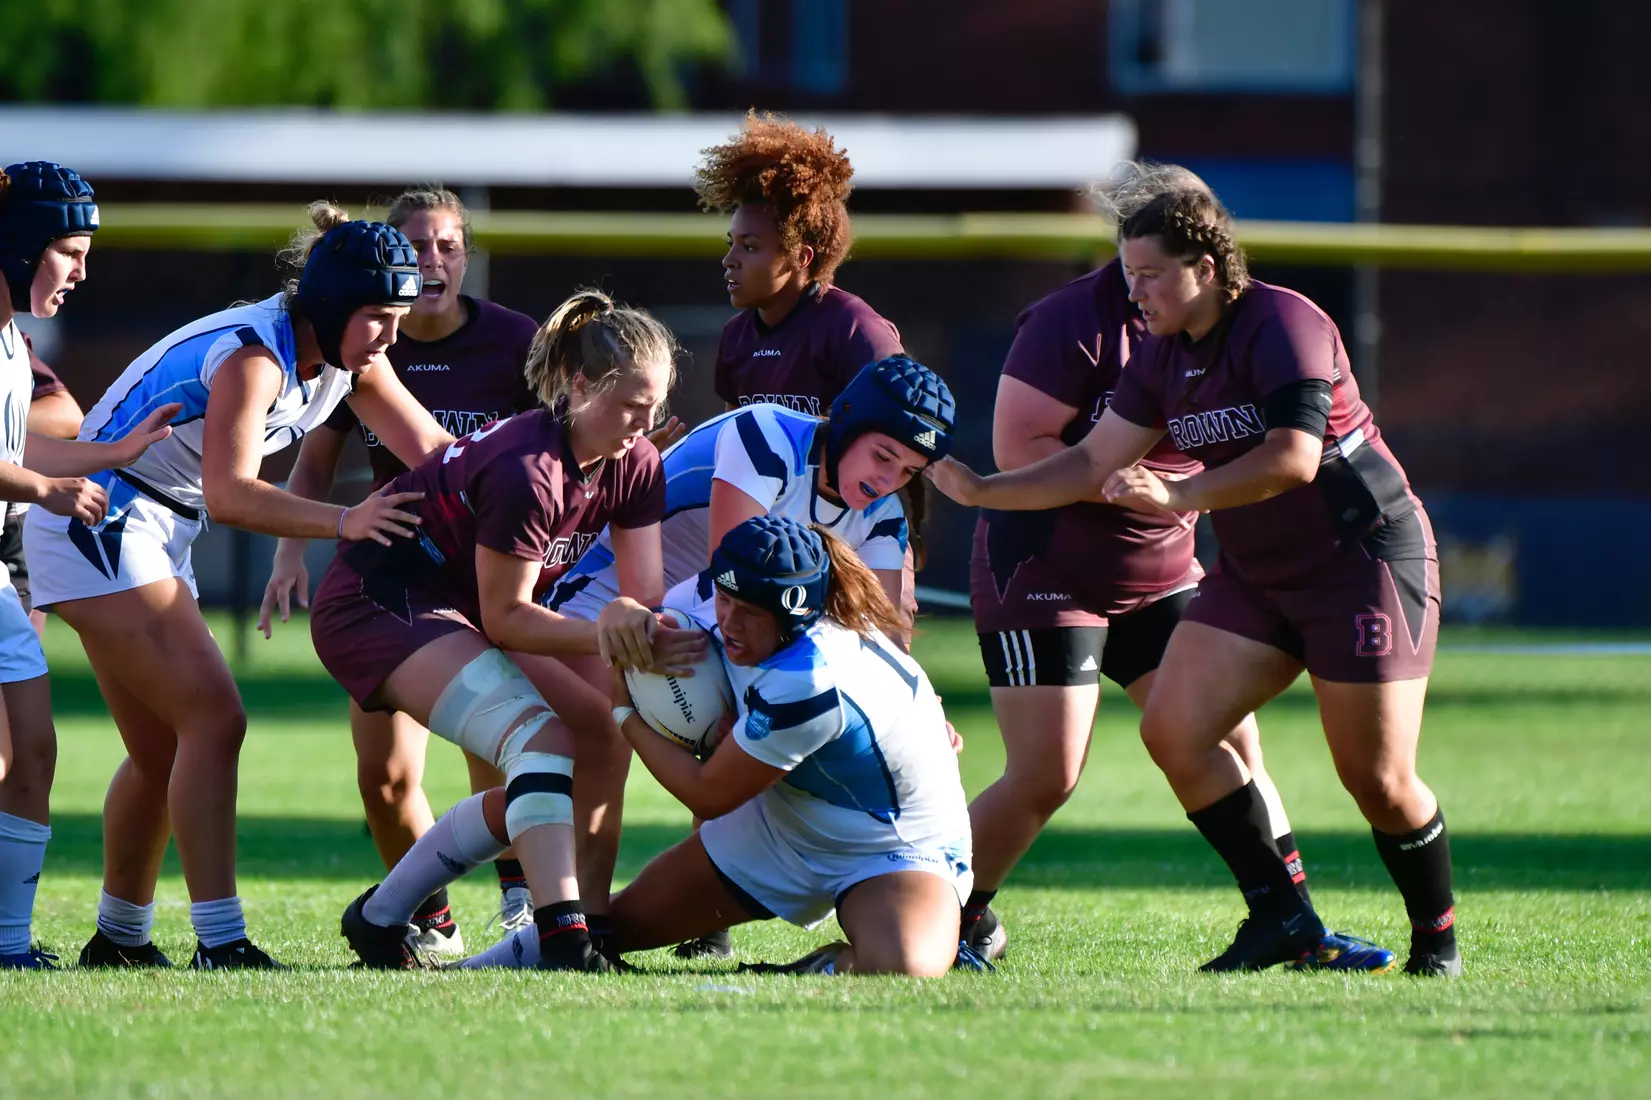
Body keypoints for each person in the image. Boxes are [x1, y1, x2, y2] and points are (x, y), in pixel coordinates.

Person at [928, 187, 1457, 977]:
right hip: (1257, 576)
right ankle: (1282, 918)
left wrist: (1173, 495)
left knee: (1377, 779)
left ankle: (1435, 939)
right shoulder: (1161, 354)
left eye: (1147, 275)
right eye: (1126, 273)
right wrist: (981, 491)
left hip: (1359, 561)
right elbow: (1086, 461)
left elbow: (1293, 459)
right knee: (1174, 730)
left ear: (1203, 269)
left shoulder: (1284, 322)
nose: (1131, 292)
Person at [26, 202, 454, 969]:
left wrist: (549, 471)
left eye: (398, 314)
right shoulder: (256, 355)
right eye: (378, 316)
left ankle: (119, 938)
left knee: (161, 750)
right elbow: (230, 494)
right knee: (216, 722)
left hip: (150, 522)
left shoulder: (352, 358)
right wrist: (345, 518)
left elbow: (434, 451)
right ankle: (221, 941)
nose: (391, 334)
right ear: (329, 305)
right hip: (104, 515)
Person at [319, 290, 702, 973]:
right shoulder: (531, 470)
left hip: (465, 606)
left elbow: (642, 596)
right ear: (579, 386)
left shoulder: (635, 459)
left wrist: (652, 631)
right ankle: (562, 939)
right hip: (381, 602)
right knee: (544, 740)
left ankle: (583, 921)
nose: (643, 426)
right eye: (628, 407)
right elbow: (506, 618)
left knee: (603, 728)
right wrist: (612, 632)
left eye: (655, 409)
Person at [472, 516, 973, 976]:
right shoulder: (707, 596)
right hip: (781, 825)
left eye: (751, 613)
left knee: (902, 965)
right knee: (601, 935)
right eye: (727, 601)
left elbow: (707, 795)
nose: (729, 622)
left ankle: (836, 962)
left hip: (894, 845)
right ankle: (455, 966)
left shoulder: (813, 675)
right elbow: (652, 621)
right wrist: (625, 614)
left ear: (796, 615)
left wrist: (625, 716)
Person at [260, 187, 541, 957]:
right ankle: (433, 920)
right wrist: (290, 551)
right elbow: (316, 452)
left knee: (509, 751)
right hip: (396, 579)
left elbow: (553, 448)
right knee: (383, 781)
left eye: (450, 246)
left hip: (489, 571)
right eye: (418, 246)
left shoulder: (517, 341)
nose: (435, 260)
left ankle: (525, 905)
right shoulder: (362, 348)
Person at [689, 112, 914, 959]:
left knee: (846, 737)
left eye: (749, 245)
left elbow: (895, 483)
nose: (731, 257)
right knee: (704, 707)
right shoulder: (741, 338)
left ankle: (921, 894)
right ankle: (713, 906)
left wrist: (893, 617)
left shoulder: (856, 333)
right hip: (764, 570)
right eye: (732, 241)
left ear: (802, 257)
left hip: (844, 575)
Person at [0, 162, 178, 969]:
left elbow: (23, 443)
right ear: (19, 242)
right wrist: (47, 488)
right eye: (69, 251)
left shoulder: (12, 336)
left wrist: (117, 451)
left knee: (31, 750)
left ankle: (9, 946)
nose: (80, 271)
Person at [0, 339, 86, 639]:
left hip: (11, 531)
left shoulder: (9, 337)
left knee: (18, 666)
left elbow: (66, 415)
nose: (72, 287)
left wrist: (118, 451)